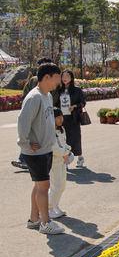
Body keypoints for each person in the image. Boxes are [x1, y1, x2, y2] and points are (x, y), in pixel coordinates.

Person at [18, 62, 64, 234]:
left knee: (39, 186)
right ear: (47, 77)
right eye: (57, 78)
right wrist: (25, 143)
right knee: (44, 186)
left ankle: (34, 219)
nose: (58, 82)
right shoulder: (34, 97)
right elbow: (22, 122)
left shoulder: (47, 96)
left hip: (46, 148)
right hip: (35, 151)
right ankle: (46, 223)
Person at [11, 57, 54, 170]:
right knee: (32, 134)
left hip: (48, 113)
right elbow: (26, 94)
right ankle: (22, 159)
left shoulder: (50, 86)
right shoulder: (35, 86)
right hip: (36, 111)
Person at [55, 69, 86, 168]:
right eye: (63, 76)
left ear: (71, 78)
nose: (64, 78)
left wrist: (74, 106)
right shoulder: (58, 90)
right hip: (61, 118)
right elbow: (55, 103)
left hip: (73, 117)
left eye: (67, 76)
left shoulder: (77, 90)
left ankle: (80, 157)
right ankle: (66, 159)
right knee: (63, 139)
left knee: (75, 138)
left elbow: (83, 102)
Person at [49, 108, 72, 219]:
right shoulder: (49, 132)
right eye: (57, 117)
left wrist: (68, 151)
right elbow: (54, 148)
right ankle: (48, 208)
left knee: (62, 186)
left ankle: (55, 205)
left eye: (61, 117)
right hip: (54, 162)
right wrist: (65, 152)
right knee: (55, 186)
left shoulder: (62, 129)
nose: (60, 119)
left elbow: (65, 143)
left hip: (62, 161)